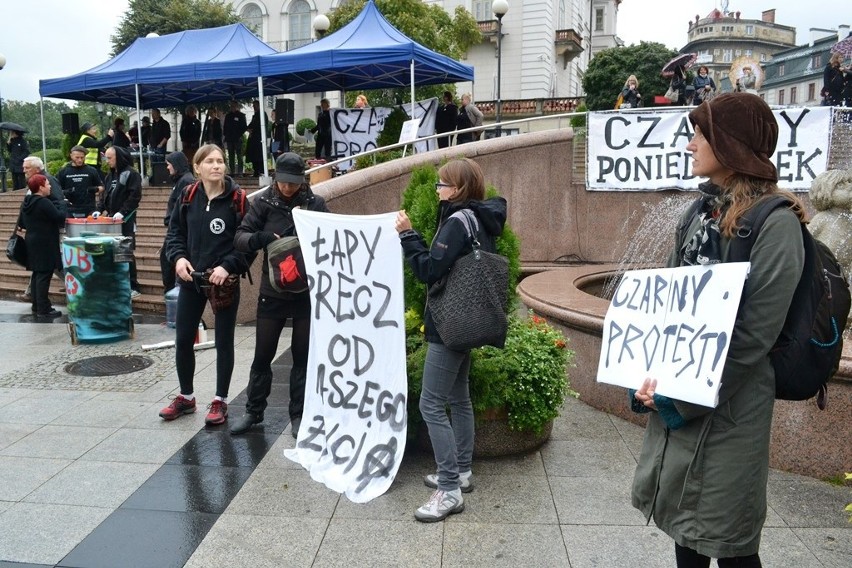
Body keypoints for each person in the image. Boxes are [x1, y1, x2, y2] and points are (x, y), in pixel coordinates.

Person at [630, 93, 806, 567]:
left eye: (701, 134)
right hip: (682, 394)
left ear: (730, 145)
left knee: (729, 541)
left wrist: (677, 398)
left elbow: (753, 337)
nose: (690, 144)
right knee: (686, 530)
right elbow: (665, 305)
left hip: (732, 410)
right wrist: (647, 376)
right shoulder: (699, 213)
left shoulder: (777, 225)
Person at [395, 158, 507, 522]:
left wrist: (408, 235)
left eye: (442, 185)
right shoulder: (479, 217)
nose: (438, 190)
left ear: (457, 189)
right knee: (459, 399)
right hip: (469, 321)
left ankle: (449, 489)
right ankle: (461, 471)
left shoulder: (458, 221)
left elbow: (429, 269)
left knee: (431, 404)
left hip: (450, 325)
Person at [231, 152, 329, 436]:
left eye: (293, 182)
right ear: (276, 178)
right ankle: (253, 411)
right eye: (283, 182)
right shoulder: (262, 203)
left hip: (305, 291)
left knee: (302, 355)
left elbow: (333, 236)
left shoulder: (315, 204)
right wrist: (259, 238)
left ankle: (298, 415)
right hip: (272, 290)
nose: (288, 188)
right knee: (263, 353)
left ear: (303, 179)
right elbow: (240, 238)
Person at [160, 144, 252, 425]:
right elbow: (175, 233)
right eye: (209, 161)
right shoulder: (187, 195)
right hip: (191, 280)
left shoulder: (237, 199)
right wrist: (178, 259)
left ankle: (220, 401)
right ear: (197, 167)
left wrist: (227, 266)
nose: (216, 166)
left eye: (220, 161)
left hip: (222, 282)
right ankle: (186, 397)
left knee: (224, 341)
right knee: (184, 339)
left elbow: (248, 244)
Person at [99, 146, 142, 297]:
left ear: (119, 157)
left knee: (125, 252)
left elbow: (134, 197)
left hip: (126, 220)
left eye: (110, 158)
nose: (107, 161)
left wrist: (122, 212)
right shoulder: (110, 175)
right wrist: (99, 209)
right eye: (106, 157)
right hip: (112, 220)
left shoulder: (131, 174)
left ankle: (133, 286)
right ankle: (119, 283)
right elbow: (105, 194)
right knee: (113, 252)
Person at [20, 174, 65, 318]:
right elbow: (59, 217)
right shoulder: (43, 202)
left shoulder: (27, 201)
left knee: (37, 274)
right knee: (44, 274)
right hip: (45, 242)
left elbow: (22, 223)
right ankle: (44, 309)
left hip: (32, 240)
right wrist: (62, 204)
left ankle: (36, 305)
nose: (50, 186)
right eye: (47, 184)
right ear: (41, 187)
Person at [160, 151, 195, 292]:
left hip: (177, 228)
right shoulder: (181, 180)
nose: (167, 168)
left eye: (169, 165)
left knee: (168, 261)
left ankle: (170, 291)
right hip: (173, 226)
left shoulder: (186, 181)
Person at [56, 145, 103, 218]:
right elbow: (56, 190)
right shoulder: (63, 172)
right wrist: (66, 192)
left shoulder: (91, 170)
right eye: (77, 157)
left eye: (82, 157)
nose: (80, 160)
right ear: (71, 156)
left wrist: (95, 189)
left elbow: (102, 187)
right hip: (70, 208)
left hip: (88, 208)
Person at [223, 101, 248, 175]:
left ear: (237, 107)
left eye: (234, 106)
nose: (232, 108)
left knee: (239, 155)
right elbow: (225, 127)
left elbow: (244, 127)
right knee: (231, 156)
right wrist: (226, 135)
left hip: (237, 138)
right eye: (231, 106)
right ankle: (232, 172)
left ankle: (240, 172)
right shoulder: (228, 116)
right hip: (229, 139)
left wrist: (239, 135)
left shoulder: (241, 115)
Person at [244, 100, 267, 177]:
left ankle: (260, 171)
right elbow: (250, 125)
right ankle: (256, 171)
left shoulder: (262, 114)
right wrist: (248, 129)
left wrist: (252, 130)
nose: (254, 107)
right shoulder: (255, 115)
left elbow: (261, 126)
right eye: (253, 106)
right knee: (253, 155)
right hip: (253, 139)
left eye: (255, 106)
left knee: (259, 156)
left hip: (259, 138)